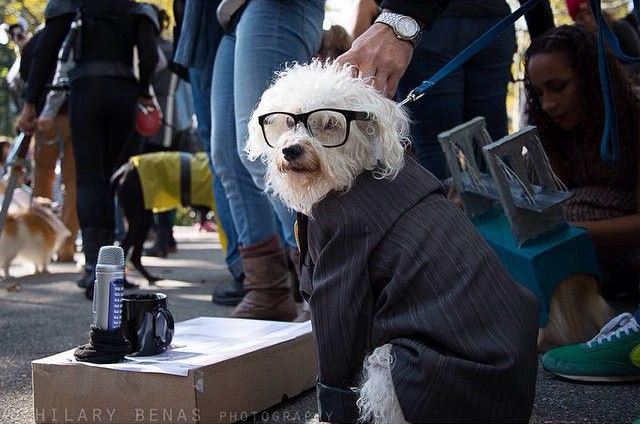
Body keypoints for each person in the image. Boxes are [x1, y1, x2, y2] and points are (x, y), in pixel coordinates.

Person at [18, 0, 160, 294]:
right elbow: (149, 56)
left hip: (86, 91)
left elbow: (47, 48)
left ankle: (96, 267)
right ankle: (113, 268)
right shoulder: (135, 9)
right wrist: (144, 90)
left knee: (89, 179)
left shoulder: (72, 5)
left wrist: (31, 101)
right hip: (123, 92)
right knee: (108, 179)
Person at [348, 0, 554, 179]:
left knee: (435, 148)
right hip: (490, 20)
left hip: (428, 23)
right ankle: (508, 217)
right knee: (492, 138)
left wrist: (395, 15)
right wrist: (546, 35)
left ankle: (442, 218)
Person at [210, 0, 324, 321]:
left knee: (273, 152)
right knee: (230, 158)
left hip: (274, 6)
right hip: (232, 15)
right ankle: (267, 288)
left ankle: (323, 289)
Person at [525, 25, 639, 299]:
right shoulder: (556, 131)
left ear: (592, 79)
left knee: (572, 209)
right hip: (597, 255)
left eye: (557, 88)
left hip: (625, 250)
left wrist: (568, 230)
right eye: (539, 94)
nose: (548, 104)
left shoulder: (634, 121)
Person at [173, 0, 245, 306]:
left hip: (222, 24)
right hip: (202, 34)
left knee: (232, 152)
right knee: (226, 154)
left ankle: (257, 271)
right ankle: (256, 271)